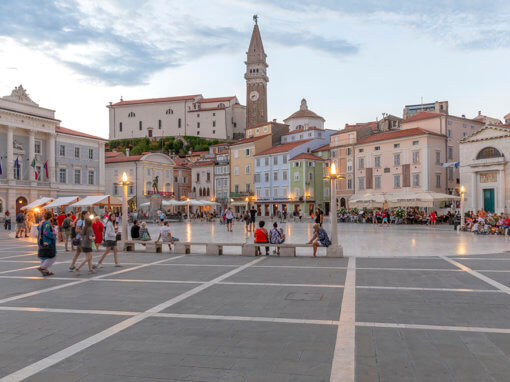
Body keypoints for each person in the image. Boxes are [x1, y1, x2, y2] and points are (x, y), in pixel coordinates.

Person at [36, 211, 57, 276]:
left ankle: (45, 271)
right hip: (47, 242)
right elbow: (46, 232)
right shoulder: (47, 223)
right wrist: (53, 234)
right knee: (52, 256)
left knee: (44, 256)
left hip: (41, 241)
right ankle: (42, 267)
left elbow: (38, 228)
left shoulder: (41, 222)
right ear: (51, 217)